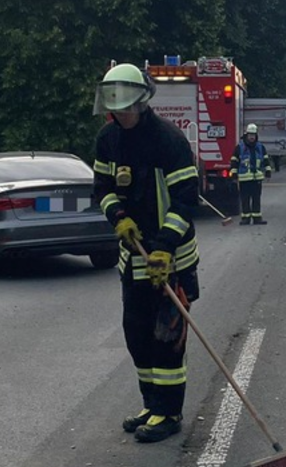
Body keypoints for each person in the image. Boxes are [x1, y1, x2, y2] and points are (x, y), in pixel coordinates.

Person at [91, 63, 201, 444]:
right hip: (132, 257)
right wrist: (117, 217)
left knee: (166, 338)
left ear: (141, 103)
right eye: (113, 106)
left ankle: (169, 413)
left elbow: (186, 200)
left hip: (171, 260)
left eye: (124, 106)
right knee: (137, 335)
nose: (118, 113)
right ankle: (151, 404)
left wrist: (164, 248)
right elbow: (102, 187)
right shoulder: (108, 139)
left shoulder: (168, 141)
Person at [231, 123, 273, 224]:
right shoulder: (240, 148)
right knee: (245, 199)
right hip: (244, 179)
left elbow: (266, 160)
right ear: (246, 135)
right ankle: (245, 218)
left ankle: (257, 218)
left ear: (256, 136)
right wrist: (234, 174)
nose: (251, 137)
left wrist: (268, 171)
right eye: (250, 135)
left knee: (256, 198)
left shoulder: (260, 147)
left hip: (257, 178)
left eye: (253, 135)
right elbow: (234, 161)